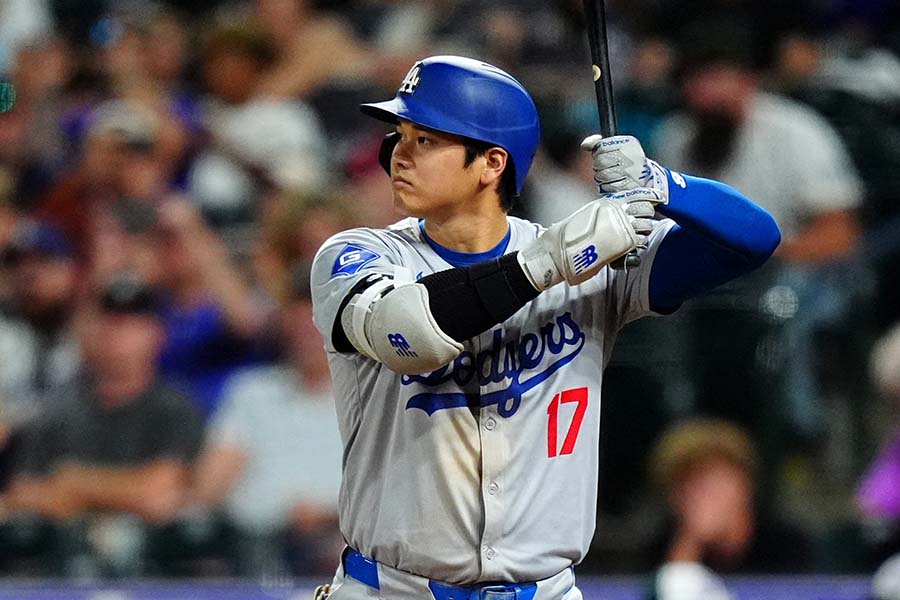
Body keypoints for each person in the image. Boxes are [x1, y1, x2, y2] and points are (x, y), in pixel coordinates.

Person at [309, 55, 781, 600]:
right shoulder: (358, 254)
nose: (397, 155)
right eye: (400, 135)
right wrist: (548, 262)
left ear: (490, 164)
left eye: (425, 140)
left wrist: (663, 185)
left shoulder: (589, 263)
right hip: (392, 590)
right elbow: (408, 334)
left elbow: (753, 239)